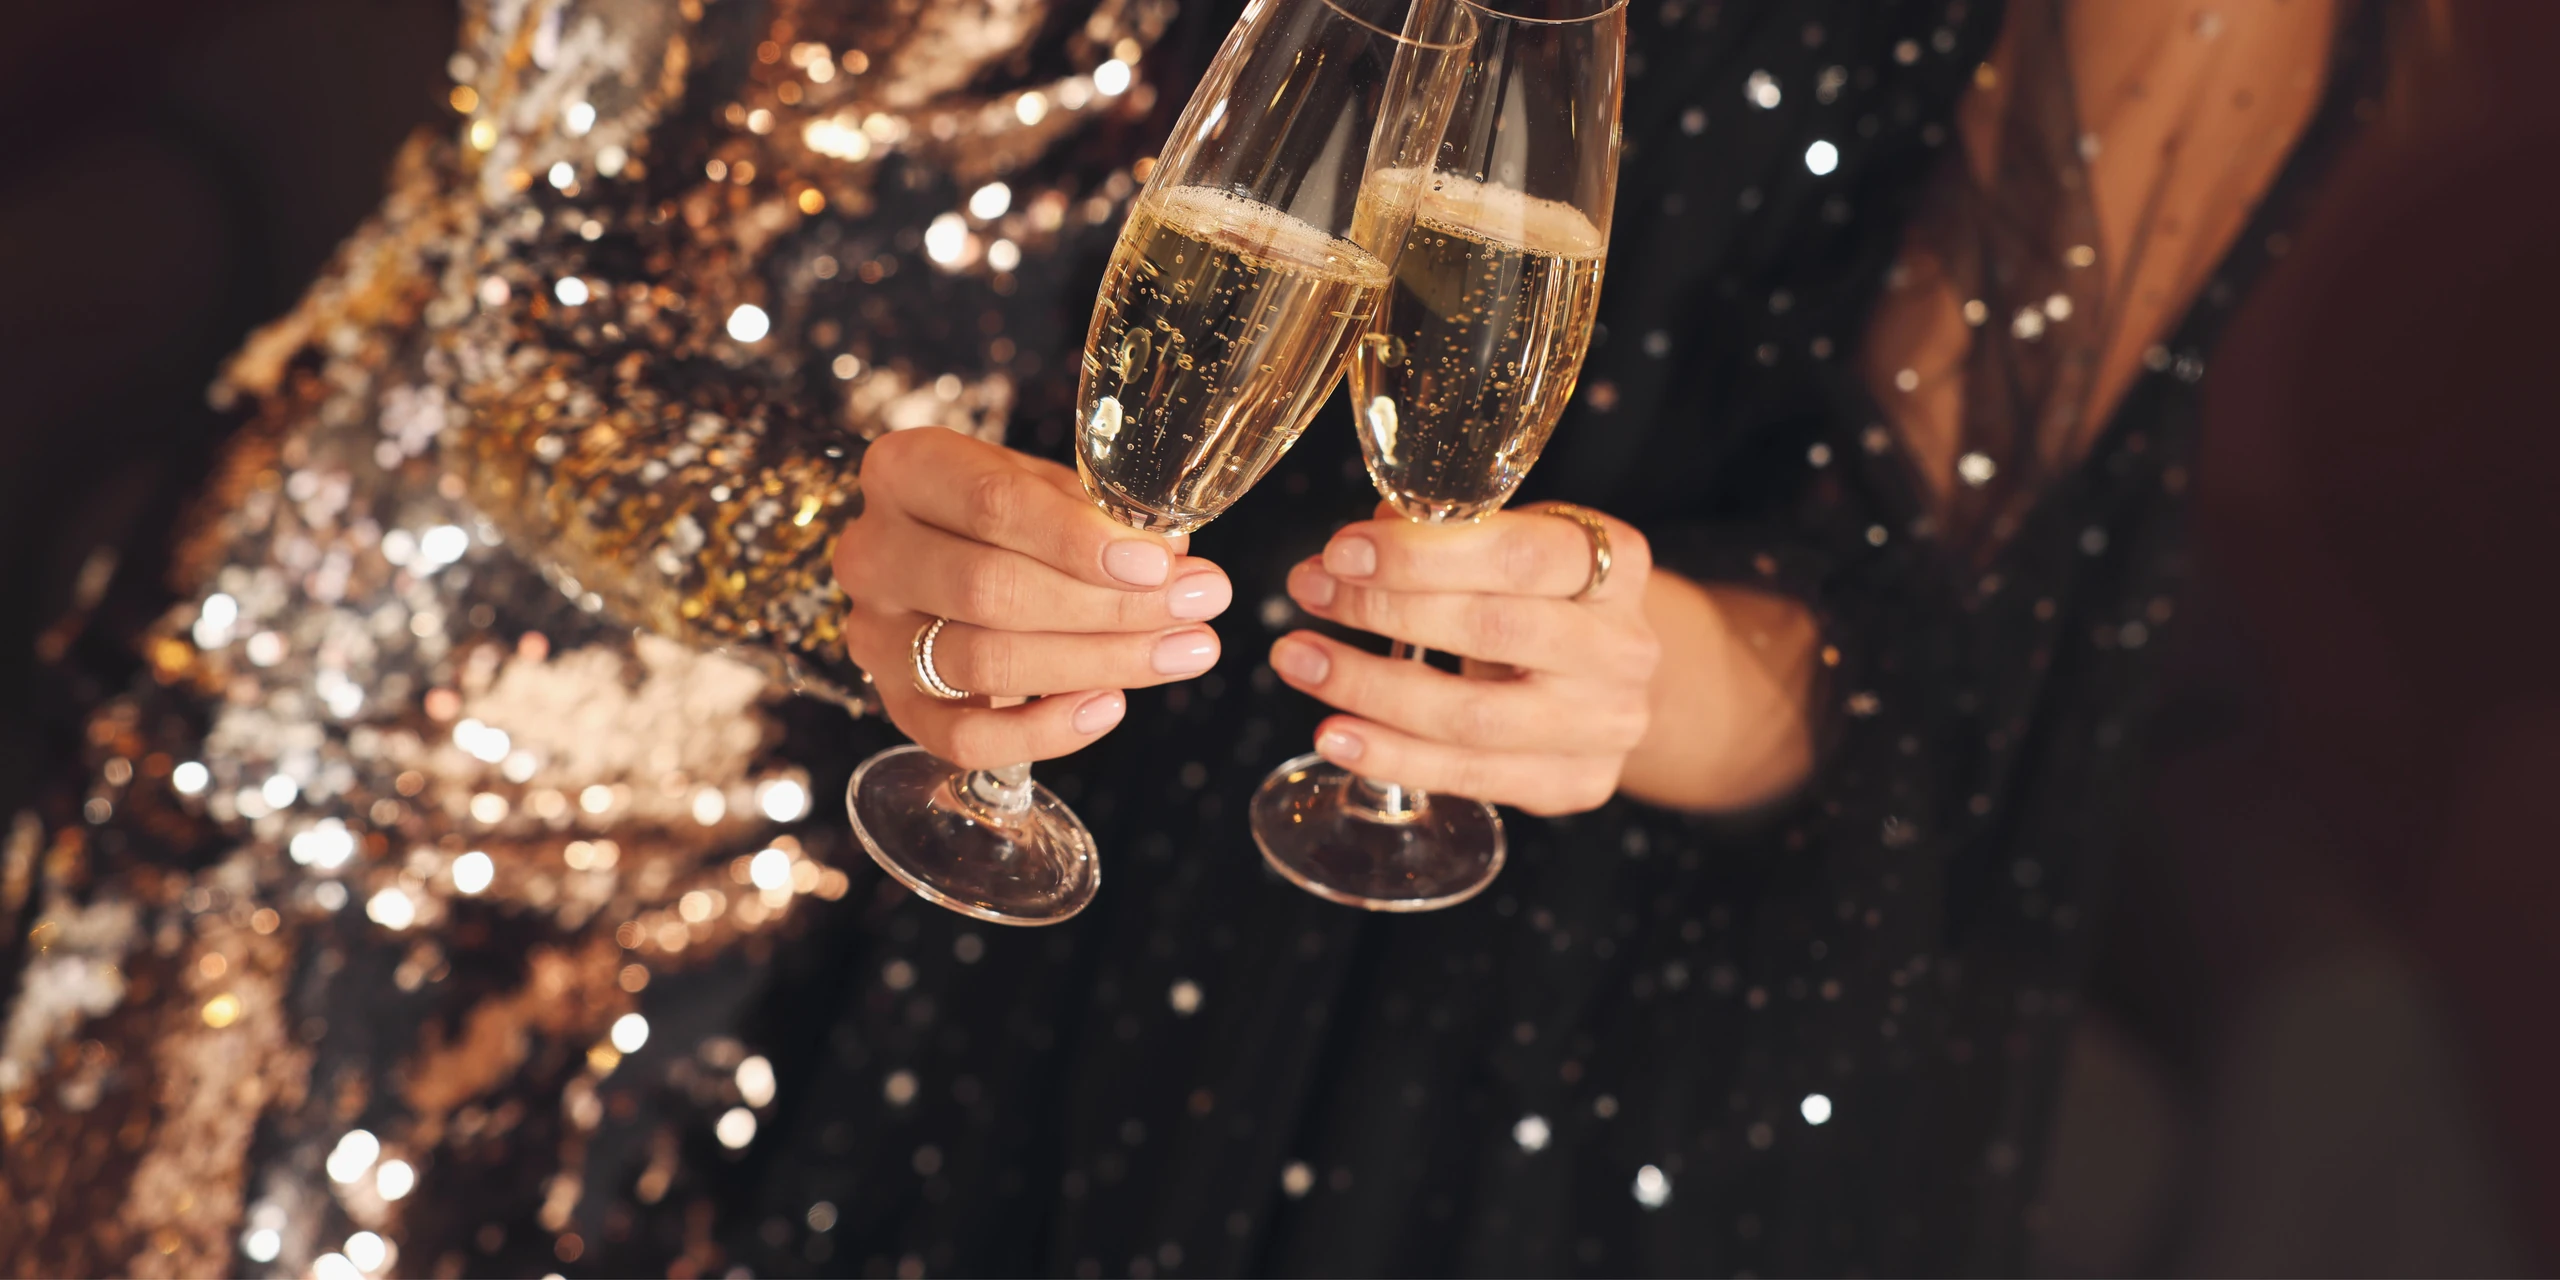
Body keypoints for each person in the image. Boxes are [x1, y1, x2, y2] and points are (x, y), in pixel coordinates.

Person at [0, 0, 2388, 1276]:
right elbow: (510, 319)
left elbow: (1943, 641)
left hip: (1069, 904)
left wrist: (1648, 674)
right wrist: (811, 548)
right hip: (457, 818)